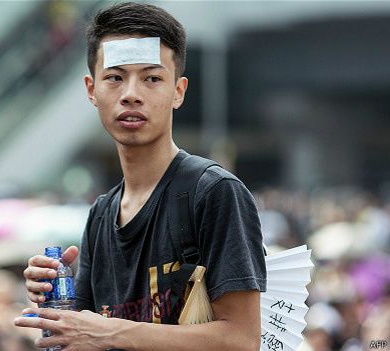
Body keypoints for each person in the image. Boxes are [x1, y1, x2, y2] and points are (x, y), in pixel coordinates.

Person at [14, 2, 266, 350]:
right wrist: (57, 300)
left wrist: (111, 331)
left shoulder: (213, 192)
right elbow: (84, 337)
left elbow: (241, 339)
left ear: (178, 91)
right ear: (91, 89)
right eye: (115, 78)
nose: (131, 94)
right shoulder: (101, 213)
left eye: (152, 78)